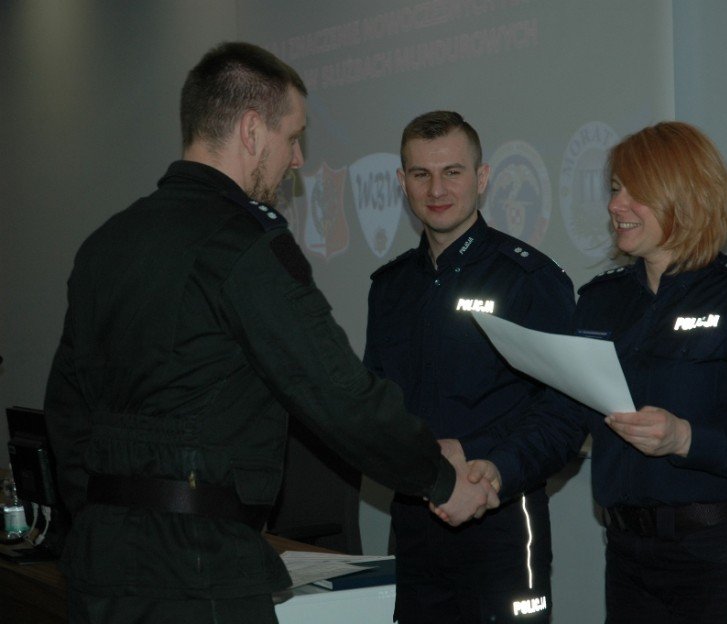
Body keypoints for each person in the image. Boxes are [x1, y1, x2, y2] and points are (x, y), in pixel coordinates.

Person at [43, 43, 497, 624]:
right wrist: (438, 478)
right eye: (293, 137)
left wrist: (108, 521)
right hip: (200, 571)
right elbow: (335, 391)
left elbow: (67, 411)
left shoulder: (107, 243)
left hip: (101, 569)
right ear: (253, 131)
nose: (299, 158)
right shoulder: (244, 245)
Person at [363, 110, 585, 623]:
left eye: (453, 172)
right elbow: (375, 407)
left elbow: (565, 415)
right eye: (421, 174)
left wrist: (477, 455)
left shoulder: (530, 280)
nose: (436, 189)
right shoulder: (390, 289)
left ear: (482, 179)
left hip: (503, 524)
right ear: (402, 183)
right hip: (416, 527)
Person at [575, 121, 727, 623]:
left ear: (687, 197)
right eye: (615, 189)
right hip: (628, 557)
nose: (616, 205)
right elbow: (563, 417)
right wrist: (494, 465)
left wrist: (685, 439)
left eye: (638, 193)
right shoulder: (598, 302)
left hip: (724, 555)